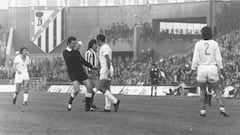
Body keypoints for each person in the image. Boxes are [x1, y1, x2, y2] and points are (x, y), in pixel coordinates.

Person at [189, 26, 229, 117]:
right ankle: (221, 107)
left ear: (202, 34)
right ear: (211, 33)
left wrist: (192, 69)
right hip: (212, 68)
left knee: (202, 90)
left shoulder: (198, 44)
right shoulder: (214, 44)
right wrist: (222, 69)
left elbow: (195, 59)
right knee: (216, 90)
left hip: (202, 68)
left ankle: (203, 109)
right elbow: (218, 58)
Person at [63, 36, 97, 111]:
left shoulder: (76, 52)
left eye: (75, 43)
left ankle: (87, 107)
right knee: (77, 90)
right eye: (73, 43)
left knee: (89, 86)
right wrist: (76, 50)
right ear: (68, 43)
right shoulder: (65, 53)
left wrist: (92, 66)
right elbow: (69, 59)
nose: (74, 45)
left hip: (81, 72)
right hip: (73, 74)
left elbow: (82, 61)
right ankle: (70, 102)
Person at [96, 34, 120, 112]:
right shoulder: (107, 47)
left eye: (97, 41)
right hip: (108, 67)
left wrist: (108, 69)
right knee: (107, 88)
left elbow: (107, 59)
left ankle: (115, 101)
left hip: (106, 67)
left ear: (99, 40)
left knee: (100, 87)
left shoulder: (104, 47)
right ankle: (107, 107)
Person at [84, 39, 100, 111]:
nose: (97, 46)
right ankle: (88, 103)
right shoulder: (88, 52)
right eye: (95, 44)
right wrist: (89, 72)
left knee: (90, 90)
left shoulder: (94, 52)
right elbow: (87, 63)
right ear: (92, 44)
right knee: (98, 87)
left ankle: (89, 104)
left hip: (94, 72)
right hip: (91, 73)